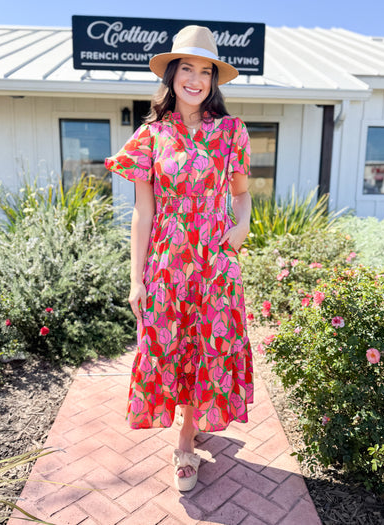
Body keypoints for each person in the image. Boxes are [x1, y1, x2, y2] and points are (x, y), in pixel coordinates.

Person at [105, 25, 253, 492]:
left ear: (213, 80)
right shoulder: (151, 135)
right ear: (171, 76)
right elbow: (142, 213)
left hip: (215, 262)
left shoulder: (231, 132)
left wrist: (242, 225)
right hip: (168, 262)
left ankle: (186, 441)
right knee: (169, 348)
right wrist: (136, 278)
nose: (195, 79)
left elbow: (243, 195)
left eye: (204, 71)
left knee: (206, 347)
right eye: (185, 68)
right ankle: (189, 424)